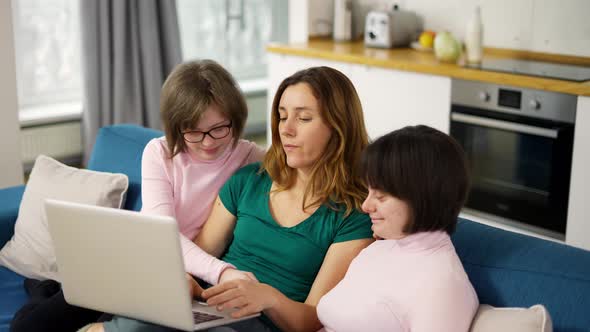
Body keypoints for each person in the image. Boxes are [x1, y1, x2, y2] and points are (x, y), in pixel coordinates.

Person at [90, 66, 375, 332]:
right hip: (210, 308)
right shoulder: (249, 179)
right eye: (282, 116)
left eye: (303, 118)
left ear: (339, 127)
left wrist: (269, 298)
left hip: (258, 324)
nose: (286, 129)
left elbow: (311, 319)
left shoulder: (354, 214)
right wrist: (185, 282)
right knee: (140, 321)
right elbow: (199, 256)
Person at [10, 59, 264, 332]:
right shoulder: (160, 153)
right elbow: (163, 234)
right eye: (194, 131)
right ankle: (42, 290)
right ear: (177, 127)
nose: (208, 142)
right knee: (28, 329)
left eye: (219, 128)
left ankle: (54, 290)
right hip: (137, 261)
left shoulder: (250, 157)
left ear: (235, 119)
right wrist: (223, 271)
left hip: (188, 277)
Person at [316, 125, 480, 332]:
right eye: (369, 191)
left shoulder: (442, 286)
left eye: (381, 196)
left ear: (421, 198)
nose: (366, 206)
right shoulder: (378, 250)